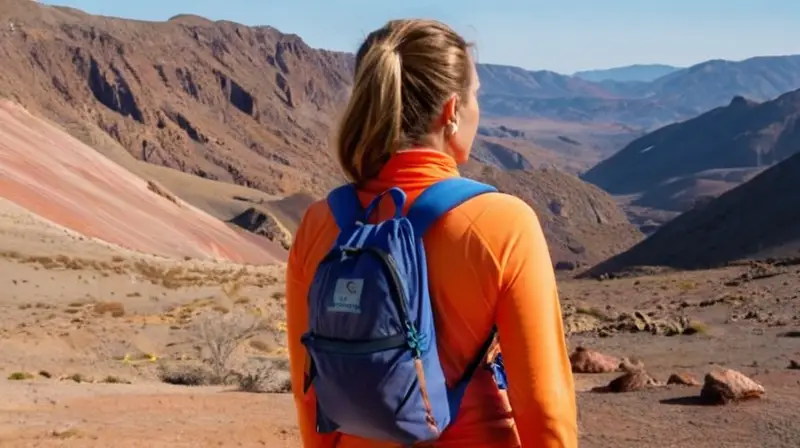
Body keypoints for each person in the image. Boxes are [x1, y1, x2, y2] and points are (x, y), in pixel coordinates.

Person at [286, 18, 578, 448]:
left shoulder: (318, 224)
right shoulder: (504, 224)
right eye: (476, 95)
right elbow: (545, 410)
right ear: (452, 112)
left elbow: (311, 394)